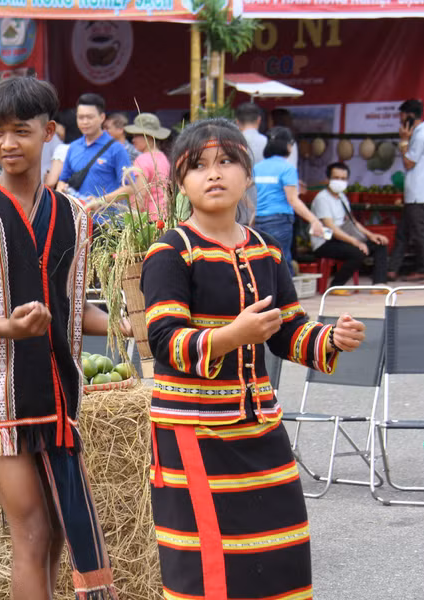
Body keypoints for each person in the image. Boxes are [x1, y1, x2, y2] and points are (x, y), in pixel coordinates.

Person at [141, 118, 366, 599]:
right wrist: (230, 336)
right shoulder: (170, 251)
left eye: (226, 161)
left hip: (260, 426)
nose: (213, 173)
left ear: (248, 175)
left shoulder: (265, 249)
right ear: (182, 183)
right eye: (198, 166)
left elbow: (286, 331)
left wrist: (330, 338)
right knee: (207, 566)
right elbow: (163, 340)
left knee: (280, 551)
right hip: (194, 433)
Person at [0, 77, 120, 600]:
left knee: (59, 535)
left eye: (21, 131)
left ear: (49, 132)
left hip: (57, 396)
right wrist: (10, 327)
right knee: (33, 530)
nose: (7, 144)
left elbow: (73, 309)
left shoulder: (75, 215)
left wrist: (129, 323)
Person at [252, 126, 324, 273]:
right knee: (282, 262)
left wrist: (253, 214)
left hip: (259, 220)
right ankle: (286, 296)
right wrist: (313, 220)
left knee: (263, 262)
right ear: (287, 145)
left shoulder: (258, 168)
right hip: (279, 221)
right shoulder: (287, 168)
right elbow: (293, 200)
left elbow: (243, 192)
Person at [311, 162, 389, 291]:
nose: (340, 182)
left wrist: (371, 235)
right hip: (325, 241)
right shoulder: (322, 199)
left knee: (379, 244)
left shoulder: (342, 197)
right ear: (328, 179)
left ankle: (379, 284)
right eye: (336, 178)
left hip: (343, 238)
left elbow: (353, 222)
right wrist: (355, 242)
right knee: (357, 252)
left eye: (343, 179)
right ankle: (336, 286)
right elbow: (331, 228)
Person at [55, 93, 133, 204]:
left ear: (102, 117)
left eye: (90, 117)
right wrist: (61, 189)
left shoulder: (116, 149)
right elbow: (62, 181)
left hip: (108, 220)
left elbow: (130, 188)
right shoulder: (73, 147)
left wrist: (100, 201)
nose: (85, 122)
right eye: (81, 117)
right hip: (79, 218)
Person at [388, 98, 424, 281]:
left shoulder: (420, 135)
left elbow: (409, 163)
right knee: (403, 232)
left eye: (402, 116)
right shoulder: (419, 133)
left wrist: (403, 142)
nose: (400, 120)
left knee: (420, 234)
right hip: (414, 194)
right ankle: (392, 269)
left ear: (410, 116)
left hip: (420, 194)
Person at [124, 112, 171, 219]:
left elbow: (141, 195)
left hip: (148, 219)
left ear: (148, 137)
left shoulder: (142, 160)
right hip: (163, 216)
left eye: (136, 135)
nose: (133, 140)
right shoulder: (163, 157)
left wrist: (132, 221)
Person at [235, 103, 267, 225]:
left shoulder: (232, 144)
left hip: (237, 206)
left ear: (237, 121)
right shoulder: (268, 143)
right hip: (263, 207)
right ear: (259, 120)